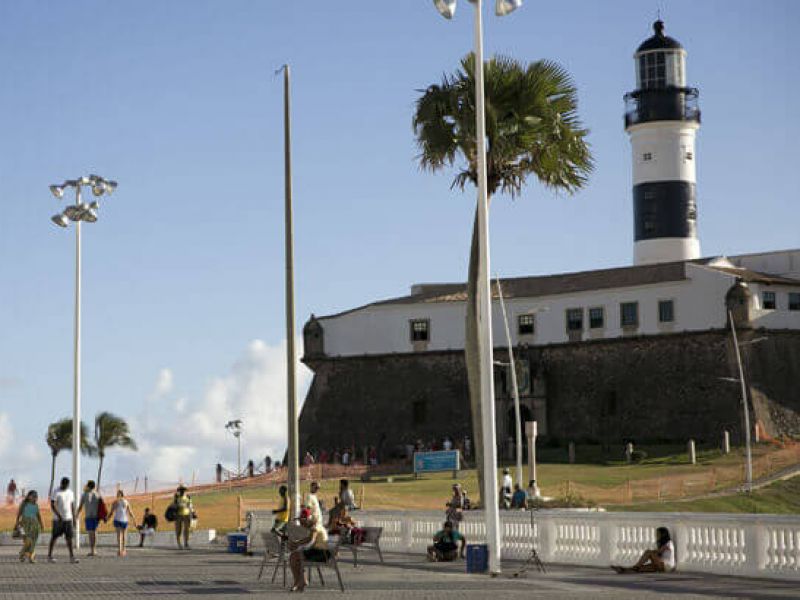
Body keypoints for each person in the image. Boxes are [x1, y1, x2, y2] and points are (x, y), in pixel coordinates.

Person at [289, 509, 331, 592]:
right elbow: (308, 539)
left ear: (308, 519)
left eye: (302, 521)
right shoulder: (315, 526)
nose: (301, 523)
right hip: (321, 552)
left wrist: (297, 546)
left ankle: (298, 582)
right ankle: (302, 580)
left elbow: (310, 542)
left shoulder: (314, 527)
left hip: (322, 554)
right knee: (296, 556)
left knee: (294, 556)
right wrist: (297, 544)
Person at [47, 477, 78, 563]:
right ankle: (50, 556)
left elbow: (72, 505)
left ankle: (72, 557)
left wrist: (74, 518)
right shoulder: (56, 491)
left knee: (69, 538)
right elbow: (52, 505)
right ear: (61, 483)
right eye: (63, 484)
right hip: (58, 520)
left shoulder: (70, 492)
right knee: (54, 537)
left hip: (68, 519)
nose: (64, 486)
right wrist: (58, 515)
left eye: (66, 485)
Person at [15, 490, 43, 563]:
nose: (36, 498)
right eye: (34, 496)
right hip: (24, 525)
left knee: (33, 542)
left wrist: (42, 524)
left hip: (34, 526)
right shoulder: (24, 504)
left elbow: (38, 515)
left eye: (36, 497)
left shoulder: (36, 505)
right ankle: (22, 553)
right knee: (27, 541)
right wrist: (17, 523)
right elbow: (19, 514)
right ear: (29, 496)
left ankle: (30, 557)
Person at [76, 480, 101, 556]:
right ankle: (94, 550)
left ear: (88, 486)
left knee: (90, 533)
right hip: (96, 516)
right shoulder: (97, 494)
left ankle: (92, 550)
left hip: (88, 516)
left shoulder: (84, 495)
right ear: (94, 486)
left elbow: (80, 506)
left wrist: (77, 514)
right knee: (95, 533)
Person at [109, 490, 136, 557]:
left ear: (121, 494)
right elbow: (112, 511)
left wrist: (134, 519)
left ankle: (123, 549)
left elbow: (130, 511)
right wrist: (108, 517)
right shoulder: (116, 502)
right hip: (118, 520)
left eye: (118, 494)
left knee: (123, 535)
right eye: (117, 494)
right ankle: (120, 550)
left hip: (124, 520)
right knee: (119, 535)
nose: (117, 495)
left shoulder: (125, 502)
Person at [173, 485, 193, 549]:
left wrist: (192, 513)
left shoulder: (188, 497)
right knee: (178, 530)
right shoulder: (176, 497)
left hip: (186, 515)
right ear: (179, 491)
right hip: (178, 515)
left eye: (183, 490)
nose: (182, 491)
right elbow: (174, 506)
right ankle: (179, 544)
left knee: (186, 530)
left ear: (185, 490)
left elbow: (190, 506)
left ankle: (186, 543)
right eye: (180, 490)